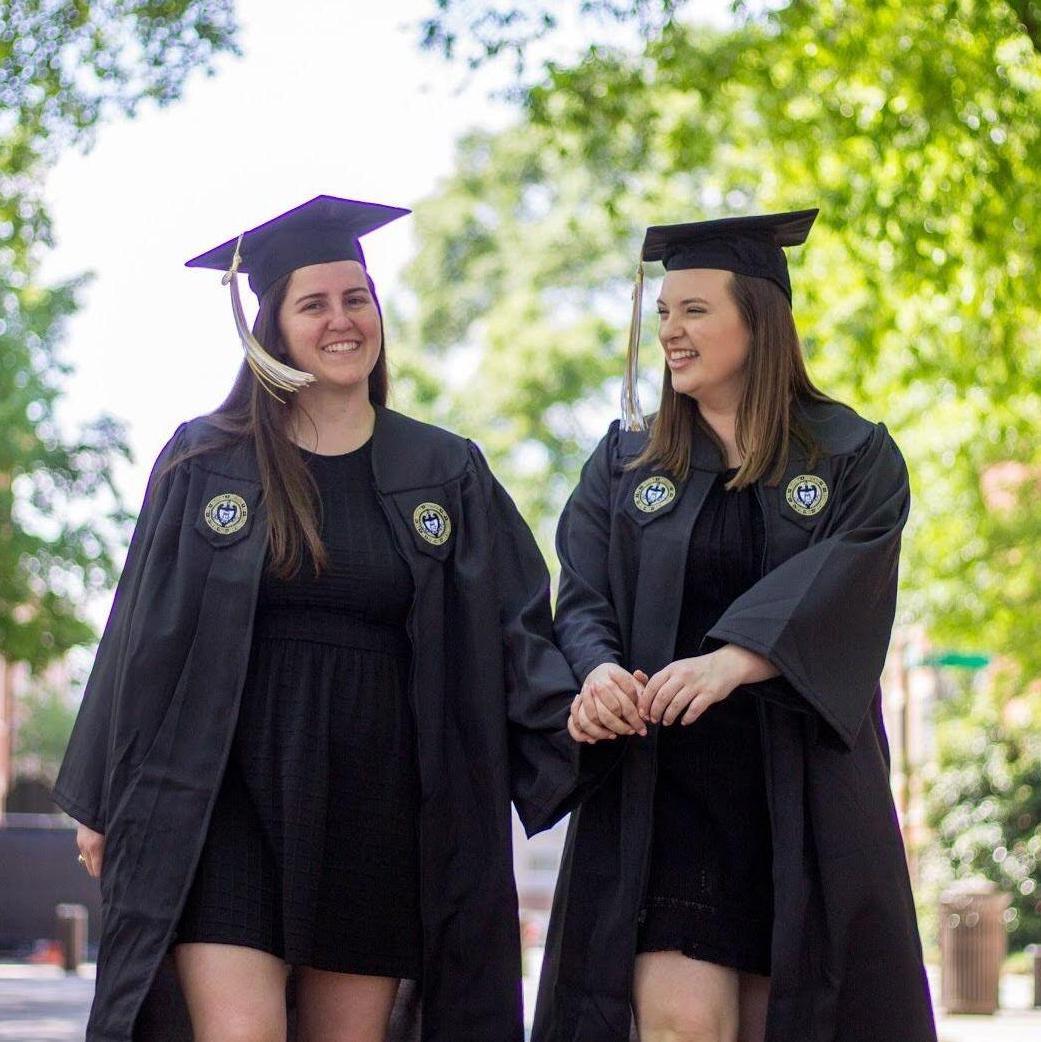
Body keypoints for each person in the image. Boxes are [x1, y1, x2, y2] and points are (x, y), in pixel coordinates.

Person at [53, 195, 579, 1042]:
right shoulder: (207, 459)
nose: (342, 321)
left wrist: (578, 717)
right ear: (272, 328)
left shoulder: (444, 469)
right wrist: (96, 795)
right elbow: (140, 628)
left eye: (357, 298)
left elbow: (515, 624)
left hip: (376, 796)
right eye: (314, 304)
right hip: (222, 789)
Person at [533, 210, 937, 1042]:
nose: (669, 333)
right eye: (662, 314)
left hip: (798, 793)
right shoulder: (625, 464)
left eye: (694, 311)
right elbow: (582, 601)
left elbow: (846, 579)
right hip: (665, 790)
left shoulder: (851, 457)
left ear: (758, 319)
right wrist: (598, 673)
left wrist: (732, 660)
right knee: (681, 1027)